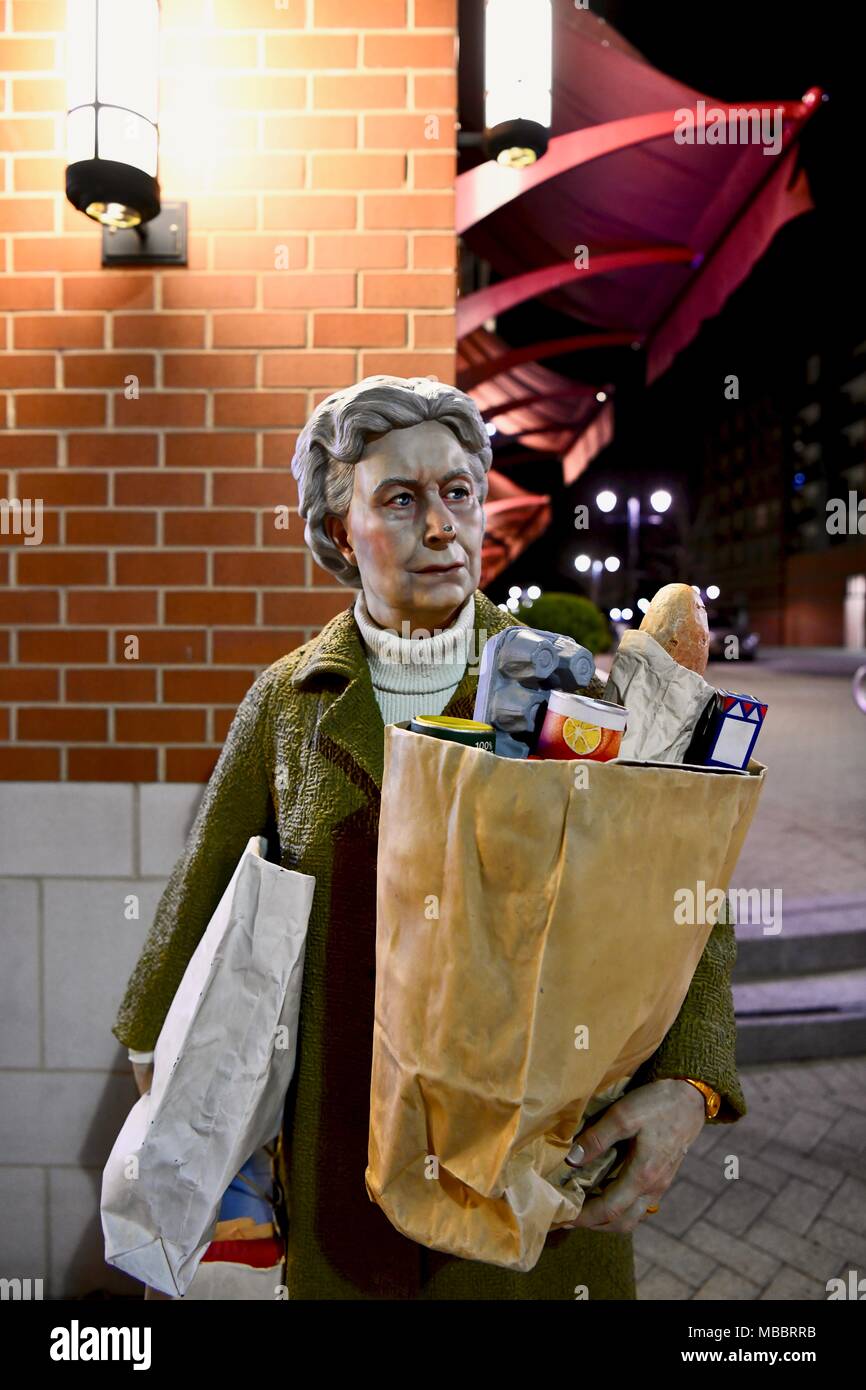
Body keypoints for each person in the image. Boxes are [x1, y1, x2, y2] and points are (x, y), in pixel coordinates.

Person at [112, 375, 746, 1300]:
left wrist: (691, 1085)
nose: (443, 527)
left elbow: (679, 889)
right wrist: (189, 1129)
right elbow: (187, 932)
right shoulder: (289, 706)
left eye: (458, 493)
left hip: (534, 1190)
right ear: (340, 531)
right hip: (344, 1196)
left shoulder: (574, 692)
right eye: (401, 501)